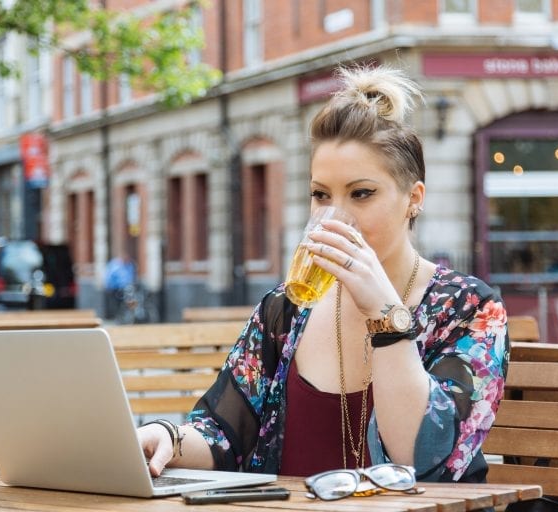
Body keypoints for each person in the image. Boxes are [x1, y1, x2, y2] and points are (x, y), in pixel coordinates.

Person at [139, 64, 509, 483]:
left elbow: (425, 460)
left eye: (361, 193)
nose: (336, 216)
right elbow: (225, 433)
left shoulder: (468, 307)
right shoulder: (289, 306)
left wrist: (383, 312)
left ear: (413, 198)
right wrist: (167, 435)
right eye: (321, 195)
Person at [104, 252, 136, 319]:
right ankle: (118, 317)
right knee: (116, 304)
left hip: (127, 288)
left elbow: (131, 276)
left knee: (129, 302)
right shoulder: (114, 264)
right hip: (116, 288)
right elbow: (109, 276)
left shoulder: (130, 265)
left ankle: (128, 316)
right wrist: (109, 286)